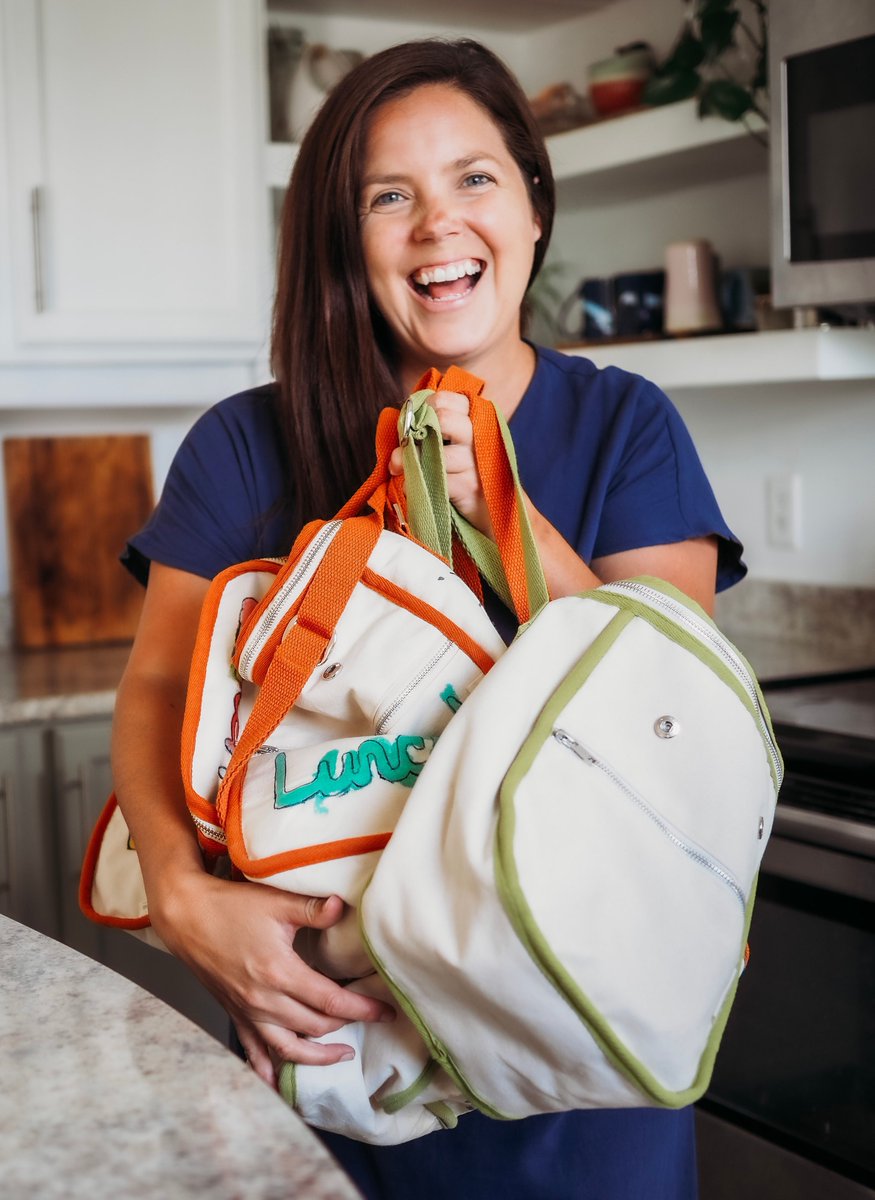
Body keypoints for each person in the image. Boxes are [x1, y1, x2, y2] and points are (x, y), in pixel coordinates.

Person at [115, 37, 744, 1200]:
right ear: (341, 243)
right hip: (326, 1056)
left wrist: (500, 507)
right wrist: (180, 897)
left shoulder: (624, 429)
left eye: (473, 179)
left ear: (533, 209)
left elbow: (674, 713)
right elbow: (157, 688)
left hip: (576, 1069)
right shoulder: (244, 445)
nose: (435, 225)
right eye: (386, 195)